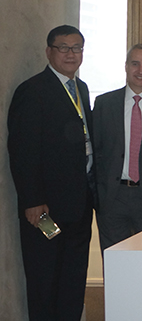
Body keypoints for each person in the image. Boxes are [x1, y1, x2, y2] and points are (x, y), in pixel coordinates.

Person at [8, 25, 94, 320]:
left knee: (73, 280)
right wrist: (32, 200)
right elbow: (23, 150)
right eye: (63, 48)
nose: (71, 54)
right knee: (45, 280)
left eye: (77, 48)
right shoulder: (32, 91)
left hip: (80, 206)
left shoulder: (81, 89)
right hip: (46, 210)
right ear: (49, 52)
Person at [93, 44, 142, 251]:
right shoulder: (104, 104)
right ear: (126, 66)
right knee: (114, 260)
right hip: (112, 197)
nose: (140, 70)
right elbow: (96, 151)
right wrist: (98, 194)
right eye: (135, 64)